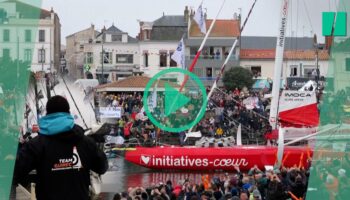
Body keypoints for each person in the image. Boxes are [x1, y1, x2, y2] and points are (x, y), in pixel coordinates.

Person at [14, 95, 108, 200]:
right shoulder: (86, 142)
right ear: (68, 113)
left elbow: (15, 172)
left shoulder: (36, 144)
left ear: (47, 113)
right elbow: (102, 167)